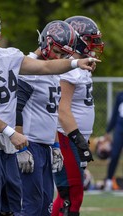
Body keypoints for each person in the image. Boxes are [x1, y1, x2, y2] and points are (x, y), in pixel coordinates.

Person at [0, 3, 99, 216]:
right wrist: (12, 132)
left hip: (7, 141)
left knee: (11, 209)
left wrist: (77, 64)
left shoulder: (9, 56)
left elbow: (45, 67)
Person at [15, 20, 77, 216]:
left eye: (62, 55)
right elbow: (17, 109)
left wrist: (56, 145)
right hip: (30, 144)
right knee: (31, 206)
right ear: (45, 42)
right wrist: (21, 148)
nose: (58, 58)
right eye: (56, 52)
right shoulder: (28, 67)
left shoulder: (52, 70)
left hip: (45, 145)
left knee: (45, 205)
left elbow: (52, 113)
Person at [52, 15, 104, 216]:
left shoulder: (78, 66)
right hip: (68, 138)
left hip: (74, 138)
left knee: (72, 194)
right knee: (70, 195)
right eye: (90, 41)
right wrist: (78, 140)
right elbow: (62, 110)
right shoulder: (69, 68)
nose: (94, 46)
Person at [103, 91, 123, 191]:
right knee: (114, 155)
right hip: (120, 129)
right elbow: (115, 114)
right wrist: (108, 131)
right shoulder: (120, 95)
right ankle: (109, 180)